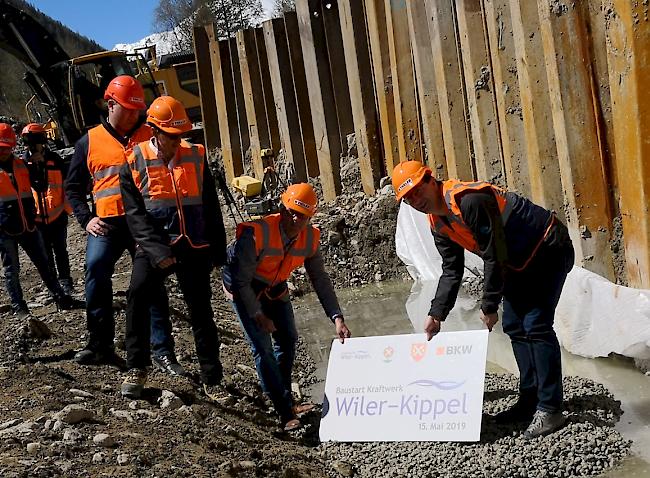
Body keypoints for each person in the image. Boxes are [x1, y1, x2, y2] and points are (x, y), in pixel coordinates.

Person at [391, 161, 574, 439]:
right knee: (514, 325)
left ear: (430, 180)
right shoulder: (437, 222)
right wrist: (436, 314)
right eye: (408, 198)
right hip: (518, 261)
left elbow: (494, 253)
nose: (416, 201)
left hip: (548, 247)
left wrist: (489, 305)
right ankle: (529, 399)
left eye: (417, 191)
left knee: (536, 324)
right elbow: (451, 270)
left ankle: (550, 408)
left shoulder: (470, 200)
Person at [64, 76, 181, 372]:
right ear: (110, 104)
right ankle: (99, 342)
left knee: (150, 283)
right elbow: (73, 187)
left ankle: (162, 350)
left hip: (144, 222)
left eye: (136, 110)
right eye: (127, 109)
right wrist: (86, 218)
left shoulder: (149, 135)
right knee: (96, 268)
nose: (132, 115)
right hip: (108, 223)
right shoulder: (89, 142)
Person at [118, 95, 227, 399]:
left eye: (181, 135)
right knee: (137, 296)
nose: (178, 142)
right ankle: (137, 367)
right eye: (171, 136)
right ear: (154, 131)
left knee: (202, 312)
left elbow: (210, 207)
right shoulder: (132, 161)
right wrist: (158, 252)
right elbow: (135, 215)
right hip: (155, 246)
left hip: (194, 244)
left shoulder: (196, 155)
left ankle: (212, 378)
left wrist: (219, 251)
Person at [222, 183, 352, 431]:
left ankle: (282, 396)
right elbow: (240, 281)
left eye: (301, 215)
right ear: (281, 209)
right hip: (243, 286)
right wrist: (257, 314)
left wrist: (336, 317)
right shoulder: (257, 233)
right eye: (290, 211)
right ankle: (284, 412)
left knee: (288, 339)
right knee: (262, 346)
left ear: (309, 217)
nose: (294, 218)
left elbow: (320, 280)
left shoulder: (310, 238)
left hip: (275, 286)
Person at [0, 123, 74, 317]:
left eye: (7, 148)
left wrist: (37, 166)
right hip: (4, 229)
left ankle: (61, 296)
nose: (4, 152)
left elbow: (40, 185)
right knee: (11, 269)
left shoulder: (20, 165)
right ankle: (19, 307)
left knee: (44, 262)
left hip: (29, 225)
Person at [21, 123, 74, 295]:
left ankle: (66, 282)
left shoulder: (55, 160)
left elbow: (66, 185)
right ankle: (54, 288)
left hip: (57, 214)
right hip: (36, 218)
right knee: (45, 255)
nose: (33, 147)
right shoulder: (21, 164)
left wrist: (66, 209)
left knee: (60, 250)